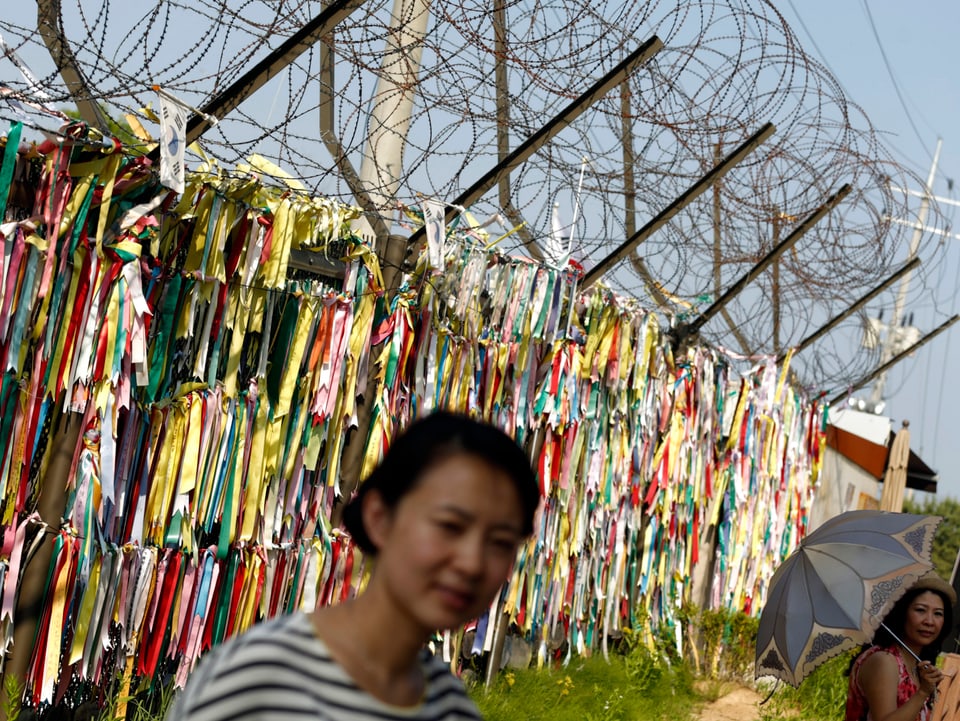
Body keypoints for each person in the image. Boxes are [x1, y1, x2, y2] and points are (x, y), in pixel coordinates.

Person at [166, 411, 540, 720]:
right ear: (380, 518)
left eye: (501, 543)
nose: (472, 563)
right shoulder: (257, 678)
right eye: (449, 526)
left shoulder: (451, 709)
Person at [845, 571, 957, 721]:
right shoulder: (884, 661)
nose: (930, 621)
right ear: (901, 612)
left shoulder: (916, 665)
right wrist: (923, 693)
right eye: (920, 610)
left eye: (938, 613)